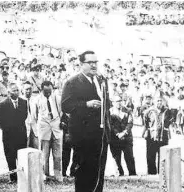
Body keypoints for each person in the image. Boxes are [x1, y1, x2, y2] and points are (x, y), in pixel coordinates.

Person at [61, 50, 111, 192]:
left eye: (96, 62)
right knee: (84, 173)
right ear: (81, 64)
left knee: (98, 172)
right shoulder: (72, 82)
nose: (94, 65)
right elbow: (66, 105)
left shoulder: (101, 81)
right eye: (90, 63)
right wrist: (86, 104)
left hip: (100, 136)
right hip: (83, 136)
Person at [0, 83, 28, 183]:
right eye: (14, 90)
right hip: (8, 135)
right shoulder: (2, 104)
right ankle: (13, 178)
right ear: (9, 93)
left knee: (21, 156)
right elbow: (0, 119)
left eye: (17, 90)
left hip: (21, 134)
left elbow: (24, 116)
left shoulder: (23, 102)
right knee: (10, 156)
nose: (16, 92)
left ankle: (23, 177)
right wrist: (8, 128)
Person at [33, 81, 63, 181]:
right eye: (46, 92)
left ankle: (58, 174)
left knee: (57, 154)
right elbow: (35, 116)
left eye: (50, 91)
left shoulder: (57, 98)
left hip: (56, 129)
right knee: (44, 154)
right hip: (44, 129)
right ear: (41, 90)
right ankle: (44, 174)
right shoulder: (36, 100)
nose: (48, 93)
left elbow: (60, 112)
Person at [142, 95, 173, 175]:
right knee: (150, 156)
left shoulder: (167, 111)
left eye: (161, 101)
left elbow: (170, 121)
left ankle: (162, 174)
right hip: (152, 136)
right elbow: (145, 123)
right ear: (154, 102)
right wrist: (145, 132)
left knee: (163, 156)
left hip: (163, 136)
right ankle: (151, 174)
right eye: (157, 101)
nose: (159, 102)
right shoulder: (149, 111)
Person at [109, 95, 136, 176]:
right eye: (117, 101)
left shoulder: (127, 110)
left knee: (129, 157)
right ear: (113, 103)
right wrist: (117, 134)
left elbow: (130, 123)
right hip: (115, 139)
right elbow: (110, 124)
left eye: (120, 101)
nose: (119, 103)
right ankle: (120, 173)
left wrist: (124, 133)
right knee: (116, 158)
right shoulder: (110, 112)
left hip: (127, 138)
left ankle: (132, 174)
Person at [21, 81, 38, 149]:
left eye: (30, 89)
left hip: (35, 129)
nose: (28, 91)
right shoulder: (19, 100)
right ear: (22, 90)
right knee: (24, 150)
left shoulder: (36, 100)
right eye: (26, 89)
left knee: (36, 150)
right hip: (24, 129)